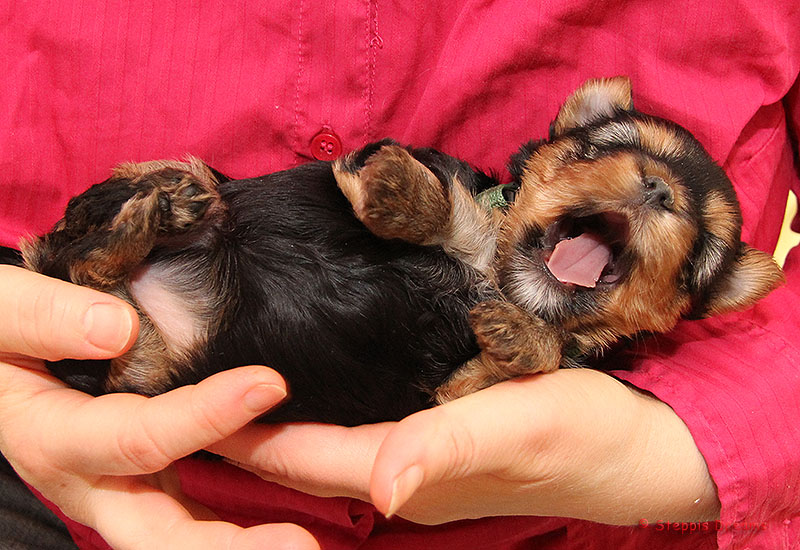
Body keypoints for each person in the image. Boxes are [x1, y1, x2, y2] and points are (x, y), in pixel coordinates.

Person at [1, 1, 798, 549]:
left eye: (697, 247)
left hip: (576, 532)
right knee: (156, 221)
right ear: (557, 144)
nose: (657, 194)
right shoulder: (471, 205)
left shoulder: (545, 321)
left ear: (696, 299)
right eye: (609, 151)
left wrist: (665, 452)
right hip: (65, 470)